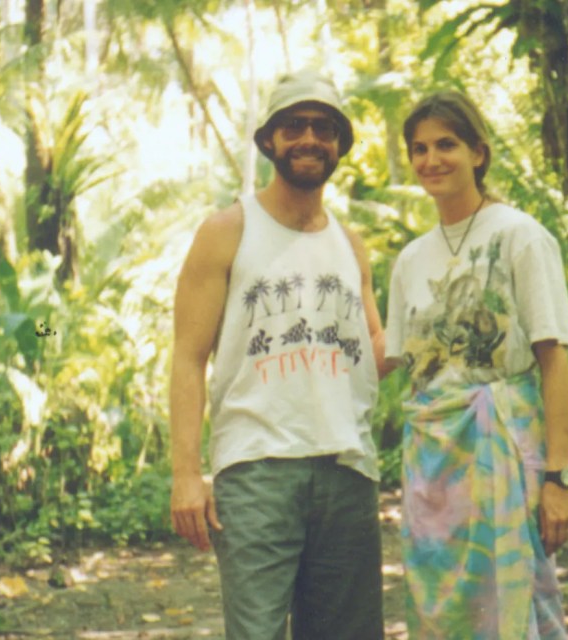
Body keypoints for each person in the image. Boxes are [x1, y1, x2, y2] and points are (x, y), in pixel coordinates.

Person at [169, 69, 386, 640]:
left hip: (347, 469)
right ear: (268, 141)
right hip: (257, 471)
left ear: (340, 145)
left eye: (324, 128)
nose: (309, 139)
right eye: (294, 126)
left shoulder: (350, 244)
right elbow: (188, 357)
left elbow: (375, 351)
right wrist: (186, 474)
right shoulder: (226, 231)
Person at [384, 90, 568, 639]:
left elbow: (553, 358)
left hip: (502, 444)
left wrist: (558, 477)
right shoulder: (410, 260)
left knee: (516, 604)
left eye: (446, 144)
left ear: (478, 152)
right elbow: (395, 360)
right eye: (419, 149)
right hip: (431, 460)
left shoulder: (520, 236)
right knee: (438, 608)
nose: (431, 160)